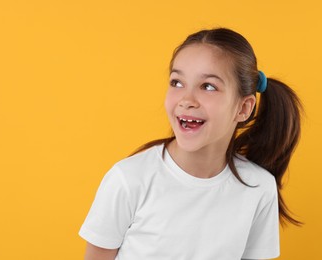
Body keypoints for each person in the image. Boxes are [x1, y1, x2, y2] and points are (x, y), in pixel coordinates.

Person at [79, 28, 303, 260]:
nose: (186, 100)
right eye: (177, 82)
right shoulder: (128, 179)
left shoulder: (259, 188)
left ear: (243, 108)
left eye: (208, 86)